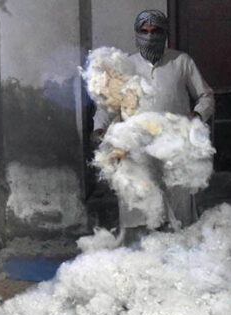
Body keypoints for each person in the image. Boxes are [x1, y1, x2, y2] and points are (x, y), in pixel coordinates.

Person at [91, 9, 214, 238]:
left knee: (179, 206)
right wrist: (99, 128)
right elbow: (107, 106)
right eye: (144, 31)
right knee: (139, 206)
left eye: (155, 31)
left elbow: (206, 96)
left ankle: (181, 256)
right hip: (136, 147)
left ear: (165, 33)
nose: (149, 36)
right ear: (136, 34)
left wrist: (196, 117)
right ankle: (141, 256)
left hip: (174, 145)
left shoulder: (181, 62)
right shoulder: (124, 66)